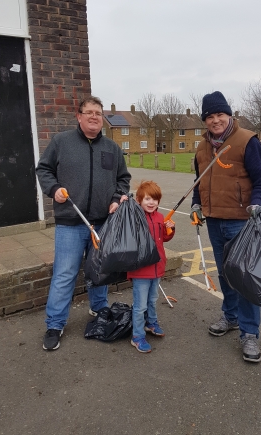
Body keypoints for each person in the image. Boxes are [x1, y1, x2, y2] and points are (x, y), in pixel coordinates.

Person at [36, 95, 131, 351]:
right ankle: (55, 324)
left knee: (99, 271)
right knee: (65, 274)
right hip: (70, 222)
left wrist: (115, 198)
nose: (93, 117)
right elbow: (43, 170)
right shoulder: (61, 142)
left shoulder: (112, 148)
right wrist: (53, 188)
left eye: (98, 113)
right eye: (88, 112)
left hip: (102, 223)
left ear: (103, 118)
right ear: (79, 116)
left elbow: (123, 179)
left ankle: (99, 308)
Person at [190, 91, 261, 363]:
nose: (215, 120)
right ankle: (231, 317)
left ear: (229, 115)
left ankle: (250, 333)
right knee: (226, 275)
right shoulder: (202, 148)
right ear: (205, 120)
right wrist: (195, 205)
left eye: (220, 114)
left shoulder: (247, 141)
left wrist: (257, 204)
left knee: (245, 279)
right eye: (210, 116)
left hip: (241, 222)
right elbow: (199, 182)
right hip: (214, 220)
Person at [127, 181, 175, 353]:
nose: (151, 203)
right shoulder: (134, 217)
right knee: (140, 306)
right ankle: (137, 336)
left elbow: (164, 238)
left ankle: (151, 323)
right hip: (141, 270)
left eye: (155, 199)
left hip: (157, 268)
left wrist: (171, 229)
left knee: (152, 300)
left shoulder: (160, 217)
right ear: (139, 200)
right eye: (147, 198)